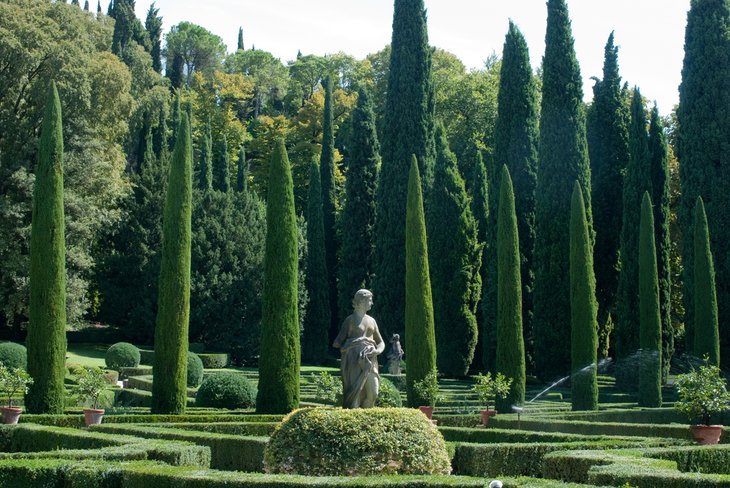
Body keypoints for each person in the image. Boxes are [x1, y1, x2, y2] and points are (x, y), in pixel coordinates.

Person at [333, 289, 385, 408]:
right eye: (370, 300)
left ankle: (366, 419)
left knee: (373, 393)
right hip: (354, 360)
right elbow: (337, 342)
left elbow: (381, 342)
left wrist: (377, 350)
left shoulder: (372, 321)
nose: (372, 303)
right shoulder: (350, 320)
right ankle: (354, 419)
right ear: (361, 301)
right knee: (354, 394)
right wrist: (351, 345)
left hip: (370, 360)